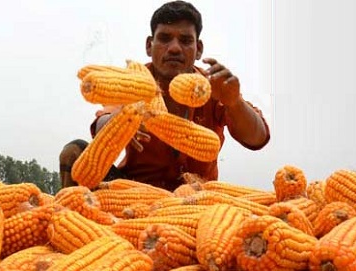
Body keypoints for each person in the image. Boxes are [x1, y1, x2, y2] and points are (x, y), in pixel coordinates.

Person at [59, 0, 270, 191]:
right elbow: (101, 123)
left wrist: (234, 102)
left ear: (198, 49)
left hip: (197, 196)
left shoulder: (215, 87)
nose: (175, 48)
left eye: (186, 40)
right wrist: (121, 122)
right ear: (149, 46)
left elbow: (257, 138)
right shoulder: (134, 81)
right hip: (134, 191)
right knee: (73, 152)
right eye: (165, 38)